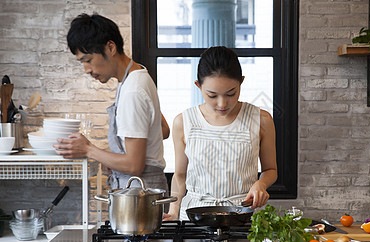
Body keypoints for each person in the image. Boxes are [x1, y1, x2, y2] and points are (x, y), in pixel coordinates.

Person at [56, 13, 168, 191]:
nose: (86, 69)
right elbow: (162, 129)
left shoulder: (133, 90)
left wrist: (89, 150)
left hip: (140, 191)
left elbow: (133, 166)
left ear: (110, 47)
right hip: (143, 188)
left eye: (88, 60)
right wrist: (115, 158)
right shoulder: (137, 76)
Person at [164, 46, 277, 221]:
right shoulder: (184, 121)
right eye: (212, 95)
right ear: (198, 86)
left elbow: (271, 169)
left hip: (244, 213)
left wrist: (260, 184)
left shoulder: (261, 119)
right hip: (195, 216)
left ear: (241, 82)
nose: (222, 103)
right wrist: (173, 211)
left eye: (231, 93)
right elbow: (180, 175)